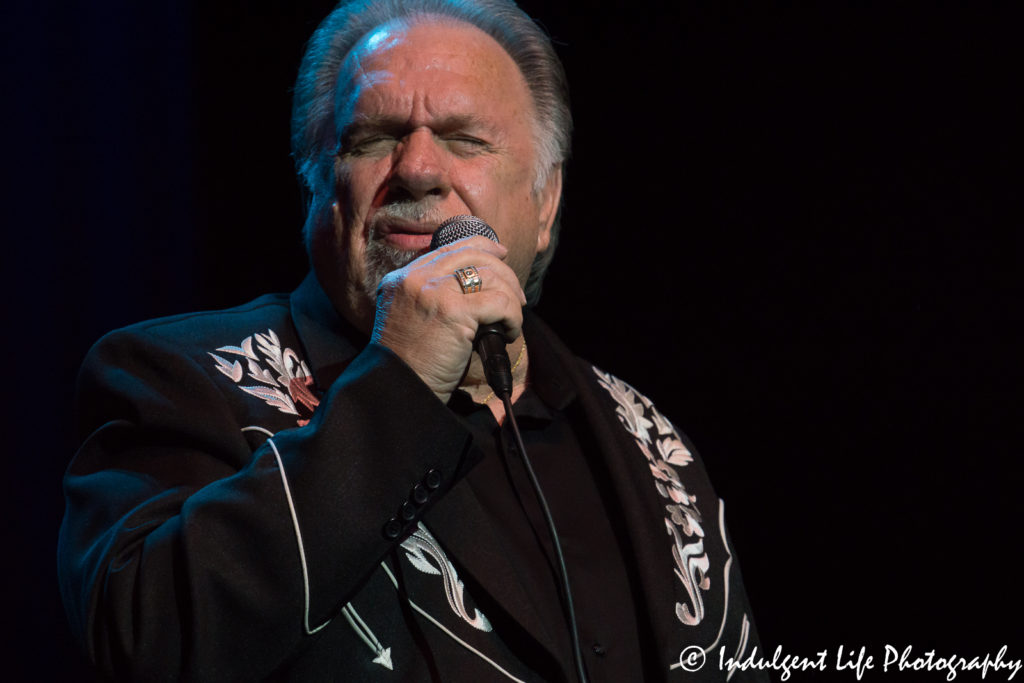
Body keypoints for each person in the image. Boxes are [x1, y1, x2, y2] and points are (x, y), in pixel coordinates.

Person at [58, 0, 764, 680]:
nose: (419, 169)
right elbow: (149, 643)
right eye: (373, 139)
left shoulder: (642, 433)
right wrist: (400, 378)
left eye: (464, 139)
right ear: (315, 187)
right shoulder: (174, 377)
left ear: (544, 204)